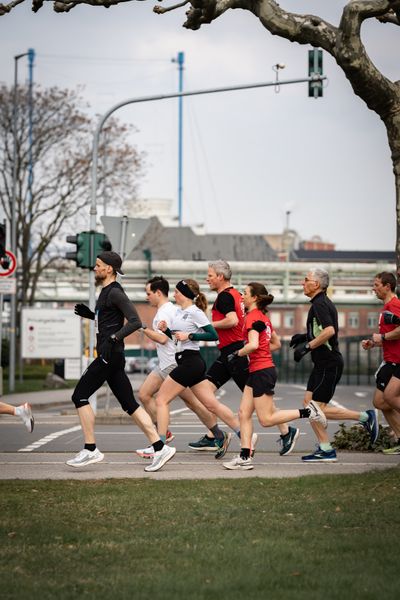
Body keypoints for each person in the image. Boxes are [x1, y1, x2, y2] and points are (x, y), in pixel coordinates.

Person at [67, 251, 175, 473]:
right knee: (130, 404)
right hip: (112, 356)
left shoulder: (115, 292)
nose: (94, 268)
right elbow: (110, 320)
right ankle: (159, 446)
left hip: (110, 355)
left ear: (109, 269)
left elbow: (135, 321)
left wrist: (115, 337)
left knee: (79, 395)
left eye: (98, 265)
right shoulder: (106, 292)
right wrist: (91, 315)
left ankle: (90, 449)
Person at [189, 260, 297, 457]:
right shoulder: (238, 295)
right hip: (228, 353)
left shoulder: (224, 296)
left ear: (220, 277)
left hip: (236, 353)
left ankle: (286, 430)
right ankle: (214, 435)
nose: (207, 279)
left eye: (210, 275)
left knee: (258, 398)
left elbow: (233, 320)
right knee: (205, 392)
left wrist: (205, 325)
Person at [223, 282, 326, 470]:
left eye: (245, 293)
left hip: (262, 371)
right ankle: (245, 457)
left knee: (266, 419)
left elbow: (253, 345)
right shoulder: (262, 317)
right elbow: (276, 344)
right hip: (258, 370)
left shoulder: (252, 317)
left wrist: (237, 353)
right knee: (243, 414)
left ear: (254, 298)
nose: (242, 296)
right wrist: (257, 351)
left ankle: (309, 412)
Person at [292, 268, 378, 463]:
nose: (302, 283)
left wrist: (307, 346)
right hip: (322, 363)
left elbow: (330, 331)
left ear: (316, 284)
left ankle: (361, 420)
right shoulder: (319, 303)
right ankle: (328, 445)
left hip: (328, 363)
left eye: (306, 280)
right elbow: (324, 330)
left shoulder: (320, 304)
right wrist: (304, 336)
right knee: (309, 405)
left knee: (315, 408)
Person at [136, 276, 225, 458]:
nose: (147, 297)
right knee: (144, 394)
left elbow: (164, 338)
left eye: (148, 293)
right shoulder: (168, 309)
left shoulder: (166, 311)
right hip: (164, 363)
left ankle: (218, 434)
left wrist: (143, 329)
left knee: (192, 403)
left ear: (158, 293)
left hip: (173, 364)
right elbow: (173, 335)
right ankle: (163, 434)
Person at [361, 272, 400, 455]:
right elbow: (391, 337)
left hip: (398, 361)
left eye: (376, 285)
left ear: (387, 286)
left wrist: (382, 336)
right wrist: (374, 343)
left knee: (390, 397)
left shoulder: (395, 305)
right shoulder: (385, 308)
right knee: (379, 402)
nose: (373, 288)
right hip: (389, 360)